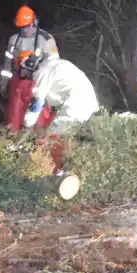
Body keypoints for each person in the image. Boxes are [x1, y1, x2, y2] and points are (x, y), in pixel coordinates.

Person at [21, 54, 100, 199]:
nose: (27, 77)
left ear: (31, 67)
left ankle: (57, 175)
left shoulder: (42, 72)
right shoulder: (54, 64)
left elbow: (36, 103)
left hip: (76, 104)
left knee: (52, 138)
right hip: (85, 101)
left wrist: (26, 125)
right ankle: (65, 171)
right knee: (62, 138)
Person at [0, 5, 59, 133]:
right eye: (22, 27)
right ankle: (13, 144)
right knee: (13, 120)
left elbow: (55, 65)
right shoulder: (14, 40)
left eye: (27, 26)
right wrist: (4, 84)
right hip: (17, 84)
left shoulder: (46, 39)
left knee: (40, 119)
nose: (25, 30)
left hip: (37, 83)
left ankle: (40, 148)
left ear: (34, 23)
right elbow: (7, 65)